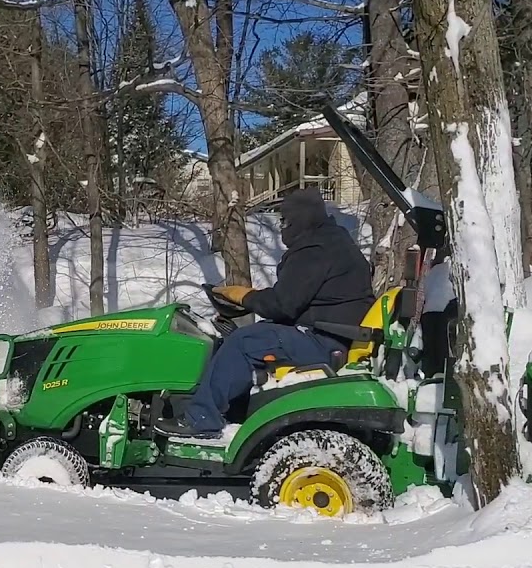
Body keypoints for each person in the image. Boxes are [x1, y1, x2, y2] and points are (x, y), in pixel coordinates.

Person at [156, 187, 375, 438]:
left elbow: (283, 305)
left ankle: (201, 418)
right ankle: (233, 410)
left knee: (244, 342)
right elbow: (296, 299)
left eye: (285, 220)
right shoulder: (330, 241)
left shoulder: (315, 249)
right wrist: (249, 299)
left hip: (325, 340)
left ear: (300, 218)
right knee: (245, 336)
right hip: (331, 333)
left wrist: (245, 296)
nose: (282, 226)